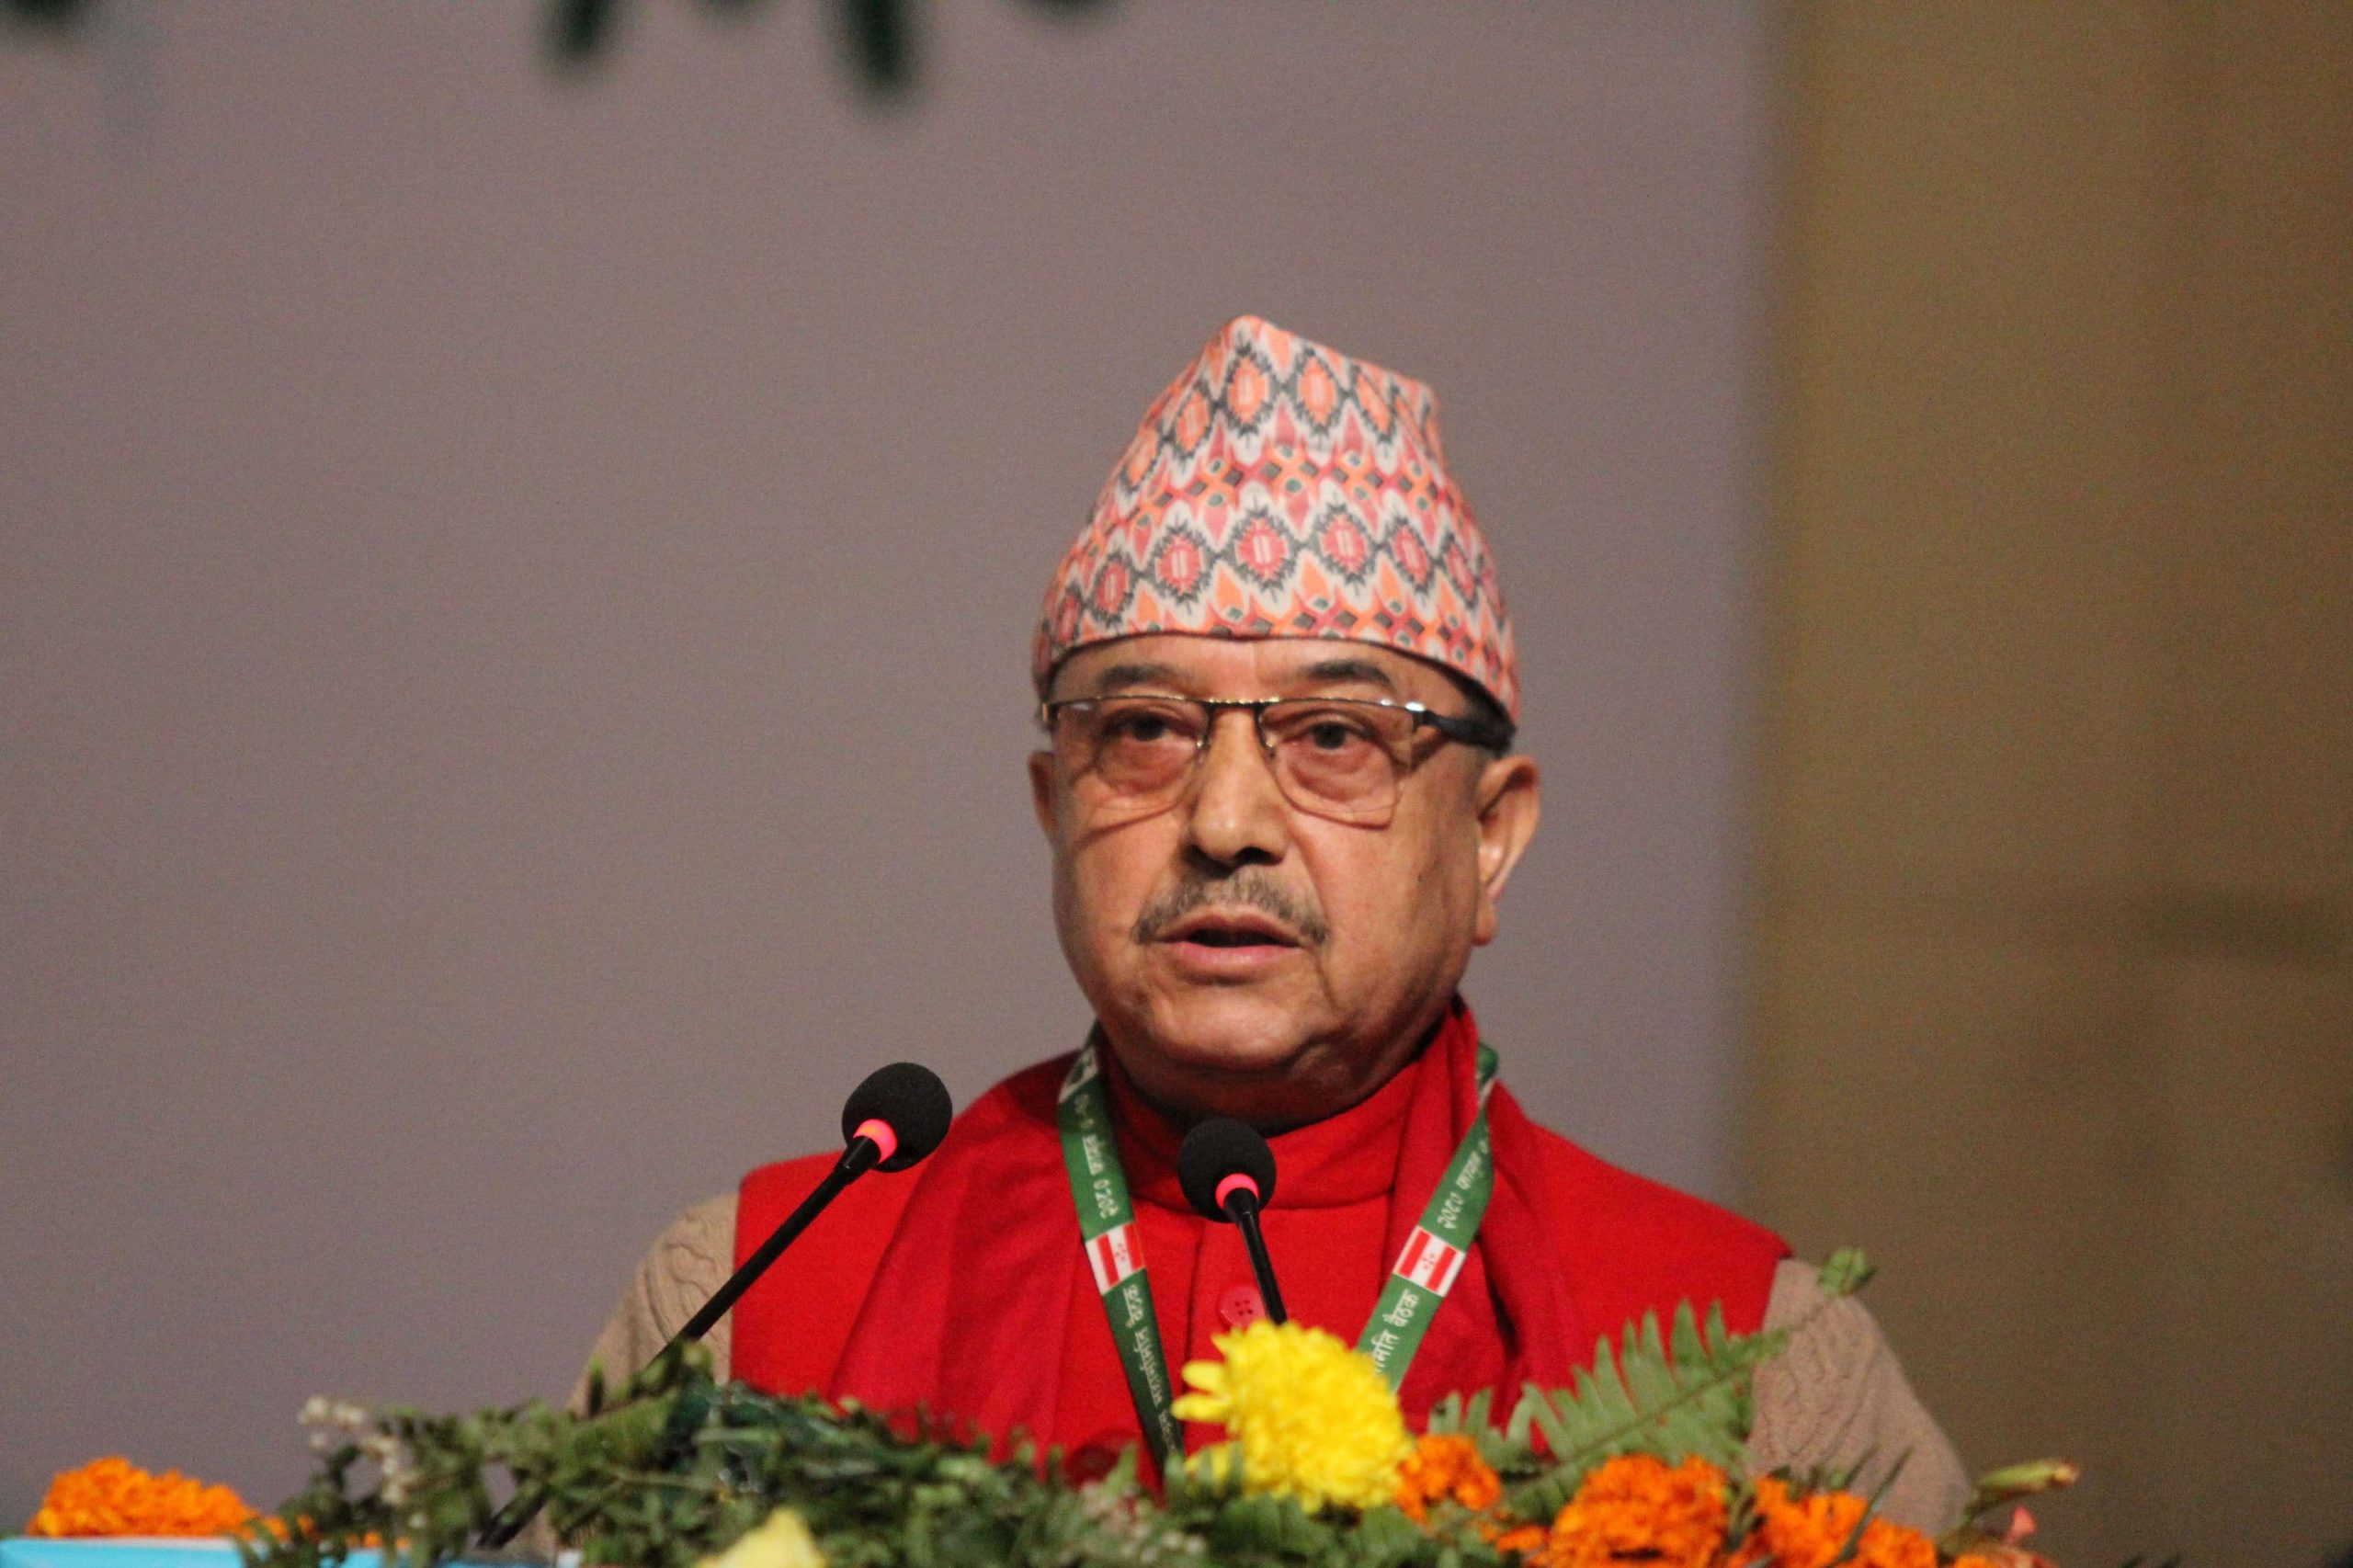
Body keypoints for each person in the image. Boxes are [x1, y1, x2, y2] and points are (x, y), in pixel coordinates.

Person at [574, 316, 1968, 1529]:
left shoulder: (1755, 1360)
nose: (1226, 818)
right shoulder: (754, 1295)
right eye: (1143, 730)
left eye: (1335, 737)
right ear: (1055, 806)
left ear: (1490, 835)